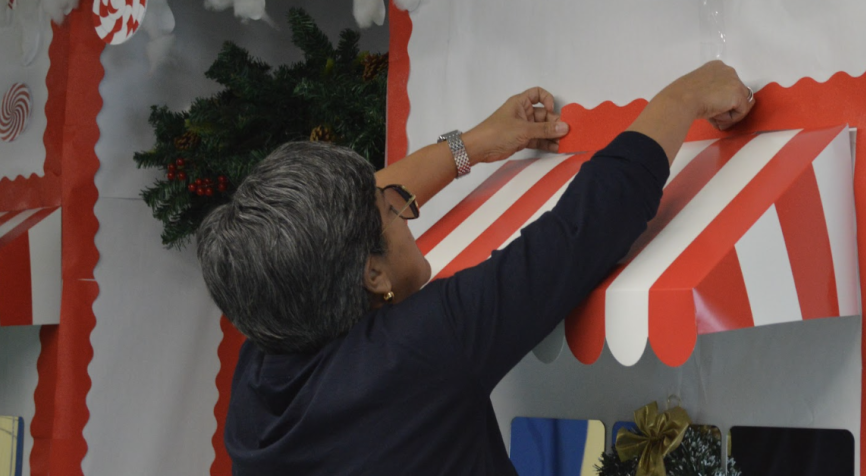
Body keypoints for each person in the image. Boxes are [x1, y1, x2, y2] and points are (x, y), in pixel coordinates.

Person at [197, 61, 756, 476]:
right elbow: (587, 228)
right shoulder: (416, 349)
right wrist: (685, 95)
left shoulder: (258, 379)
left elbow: (332, 225)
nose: (405, 209)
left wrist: (474, 145)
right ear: (374, 277)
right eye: (395, 212)